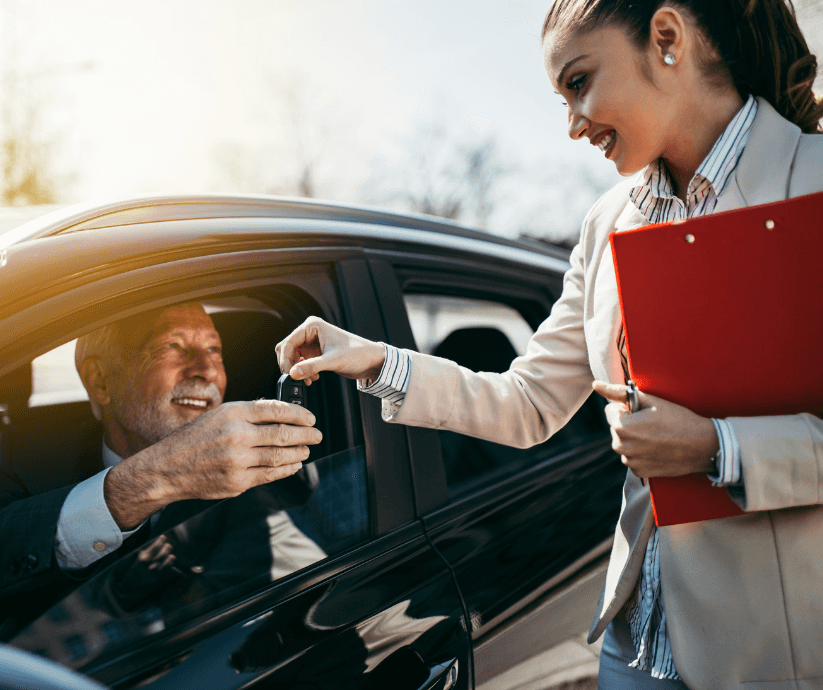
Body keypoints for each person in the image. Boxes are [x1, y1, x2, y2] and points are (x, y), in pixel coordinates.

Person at [275, 2, 823, 688]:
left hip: (778, 655)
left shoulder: (814, 184)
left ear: (665, 37)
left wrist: (718, 448)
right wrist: (378, 360)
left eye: (578, 82)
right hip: (635, 637)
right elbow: (528, 402)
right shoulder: (605, 226)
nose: (571, 125)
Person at [0, 302, 322, 634]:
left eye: (214, 349)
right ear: (100, 382)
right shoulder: (20, 465)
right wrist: (149, 482)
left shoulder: (259, 483)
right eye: (173, 347)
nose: (206, 371)